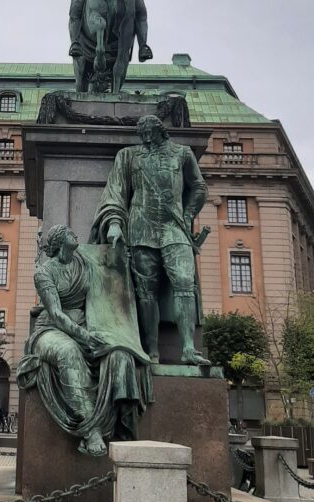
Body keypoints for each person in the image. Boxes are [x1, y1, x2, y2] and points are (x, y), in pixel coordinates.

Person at [17, 224, 152, 456]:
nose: (76, 234)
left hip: (87, 327)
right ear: (60, 242)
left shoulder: (84, 261)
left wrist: (121, 259)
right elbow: (57, 315)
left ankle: (123, 424)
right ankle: (91, 431)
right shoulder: (44, 273)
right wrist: (85, 337)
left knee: (119, 354)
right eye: (71, 233)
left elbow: (109, 271)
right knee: (68, 352)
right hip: (50, 331)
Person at [90, 114, 209, 366]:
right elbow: (116, 192)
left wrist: (187, 215)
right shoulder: (128, 156)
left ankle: (188, 348)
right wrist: (114, 223)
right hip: (140, 228)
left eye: (148, 133)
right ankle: (151, 350)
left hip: (173, 228)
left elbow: (199, 187)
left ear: (160, 131)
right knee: (146, 291)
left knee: (185, 282)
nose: (145, 138)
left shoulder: (183, 153)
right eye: (141, 133)